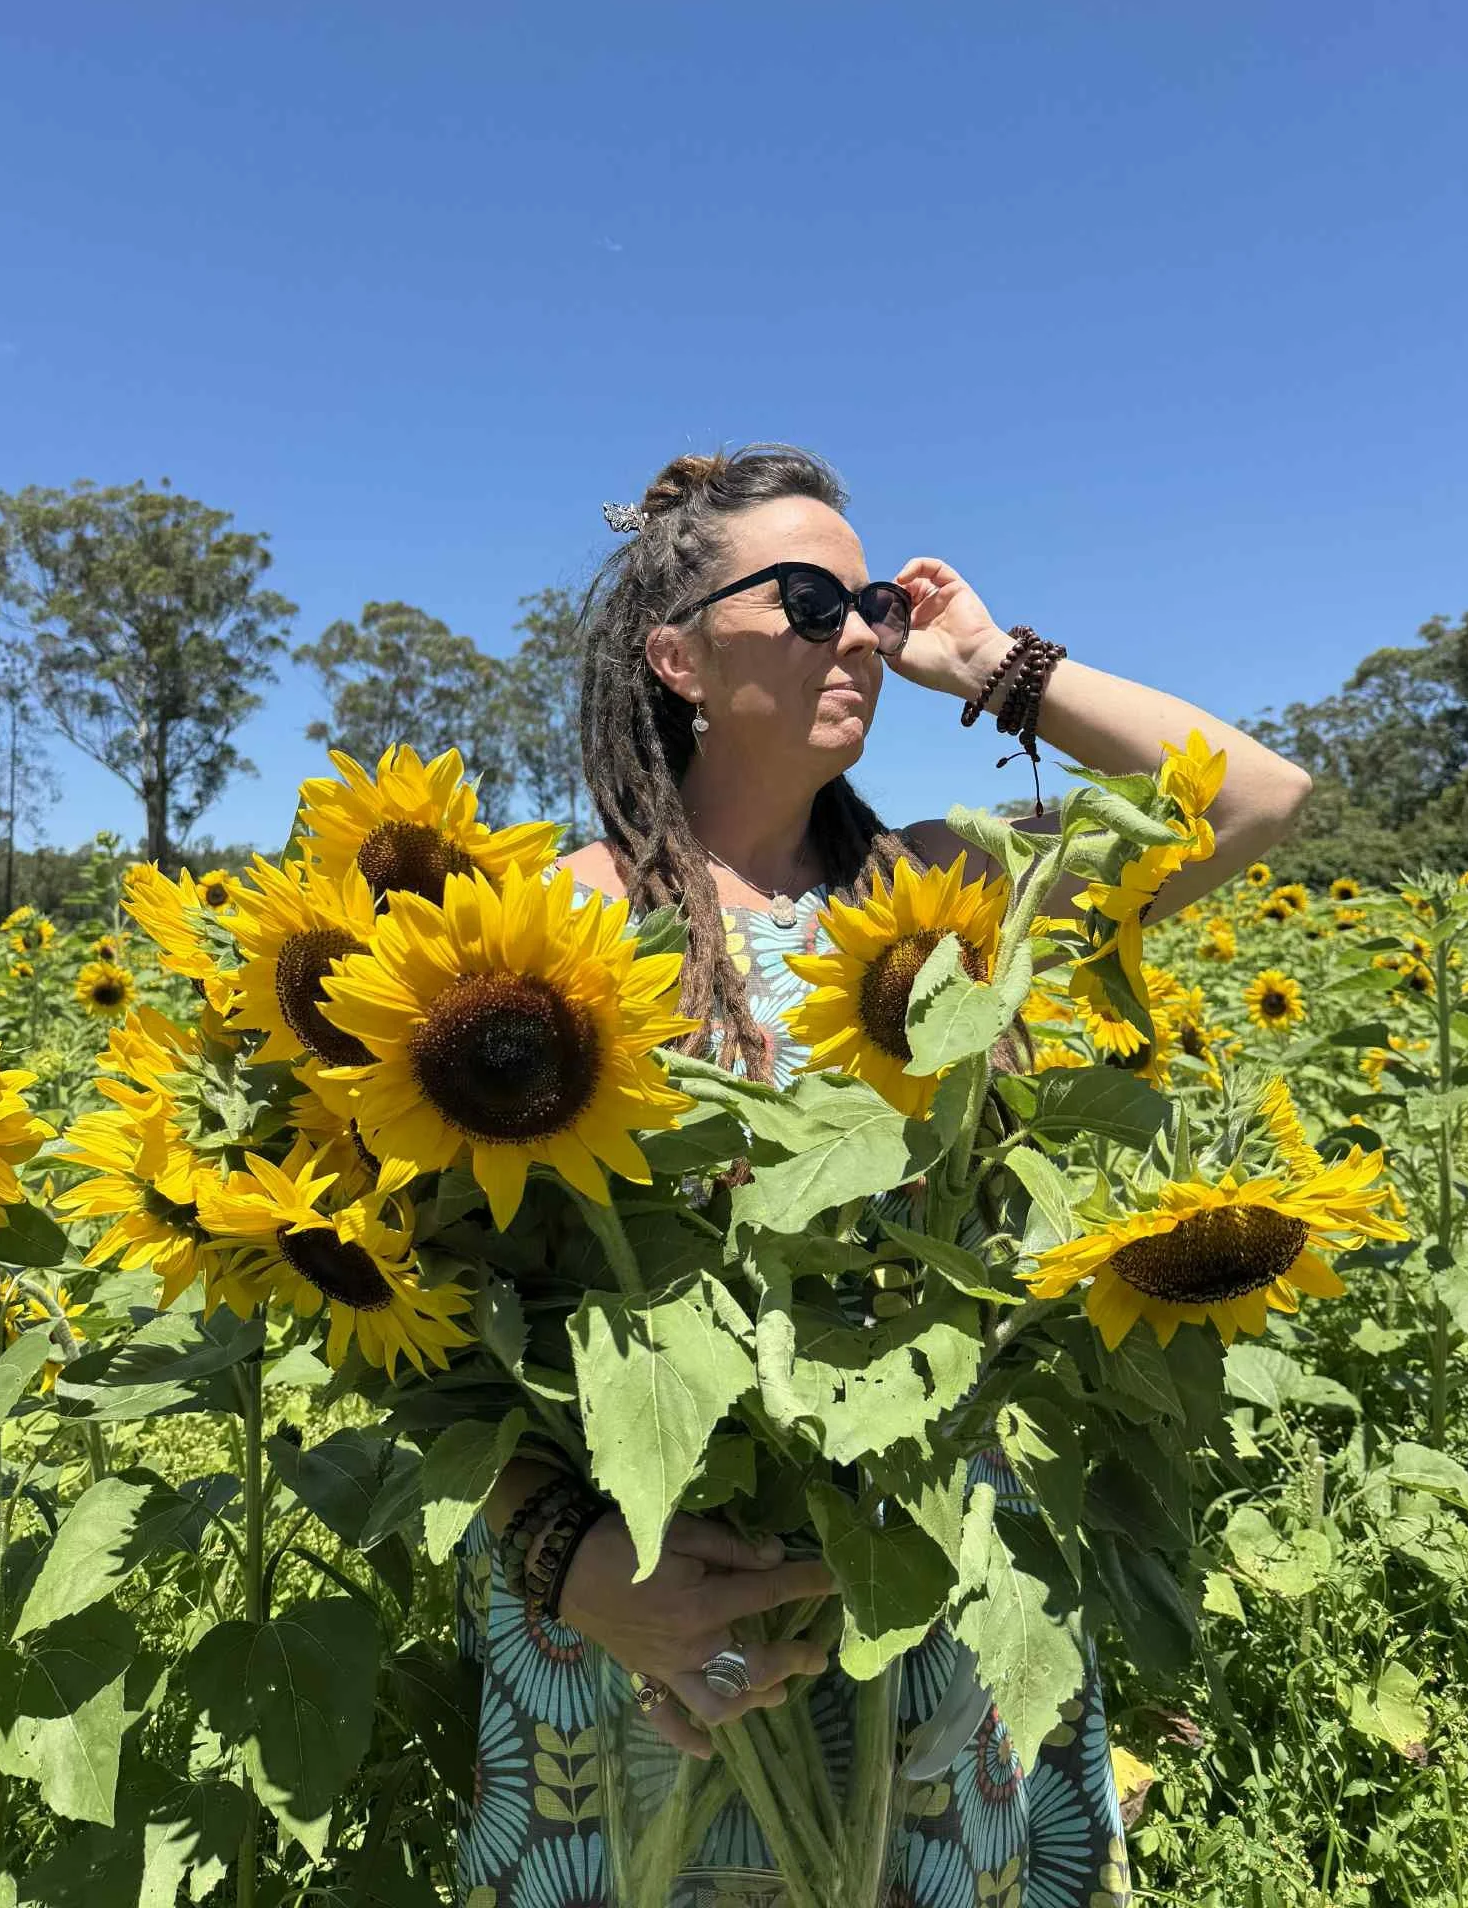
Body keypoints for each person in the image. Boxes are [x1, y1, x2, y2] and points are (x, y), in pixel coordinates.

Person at [466, 443, 1311, 1907]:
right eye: (804, 598)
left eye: (864, 597)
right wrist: (570, 1560)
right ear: (674, 655)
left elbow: (1254, 795)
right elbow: (444, 1301)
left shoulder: (950, 891)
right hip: (644, 1597)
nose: (858, 629)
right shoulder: (552, 915)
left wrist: (995, 660)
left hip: (917, 1574)